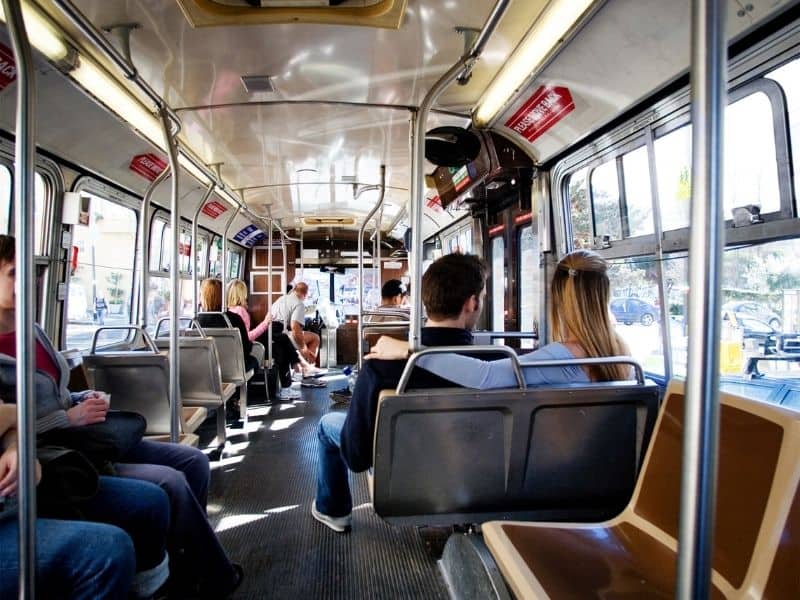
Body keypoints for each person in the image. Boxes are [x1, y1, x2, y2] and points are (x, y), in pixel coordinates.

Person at [0, 236, 242, 598]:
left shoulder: (32, 331)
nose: (26, 284)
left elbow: (58, 393)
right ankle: (201, 574)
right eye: (13, 274)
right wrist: (69, 418)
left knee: (193, 461)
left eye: (29, 274)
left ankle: (185, 555)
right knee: (168, 484)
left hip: (86, 432)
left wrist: (84, 398)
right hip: (58, 449)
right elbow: (14, 418)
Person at [312, 253, 491, 532]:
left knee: (326, 426)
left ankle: (333, 510)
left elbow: (356, 457)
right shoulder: (497, 364)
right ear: (472, 302)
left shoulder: (379, 367)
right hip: (471, 474)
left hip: (399, 473)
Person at [370, 249, 632, 388]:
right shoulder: (621, 354)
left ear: (560, 301)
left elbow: (485, 377)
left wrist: (411, 350)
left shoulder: (562, 356)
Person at [0, 403, 136, 599]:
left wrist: (16, 447)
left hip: (16, 501)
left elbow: (15, 420)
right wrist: (13, 413)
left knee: (148, 500)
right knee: (106, 550)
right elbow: (18, 413)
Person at [226, 279, 320, 398]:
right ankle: (298, 369)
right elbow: (248, 337)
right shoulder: (241, 311)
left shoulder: (230, 311)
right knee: (282, 343)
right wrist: (265, 323)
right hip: (247, 349)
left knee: (281, 342)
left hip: (236, 350)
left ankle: (297, 368)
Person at [197, 277, 260, 374]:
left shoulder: (196, 321)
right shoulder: (235, 319)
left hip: (206, 368)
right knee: (254, 361)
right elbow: (245, 349)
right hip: (232, 369)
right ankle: (242, 389)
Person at [270, 282, 319, 364]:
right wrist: (304, 348)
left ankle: (303, 366)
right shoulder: (299, 304)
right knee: (315, 338)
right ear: (305, 294)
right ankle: (309, 368)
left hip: (271, 334)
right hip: (282, 335)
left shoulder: (281, 298)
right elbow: (295, 328)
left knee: (300, 338)